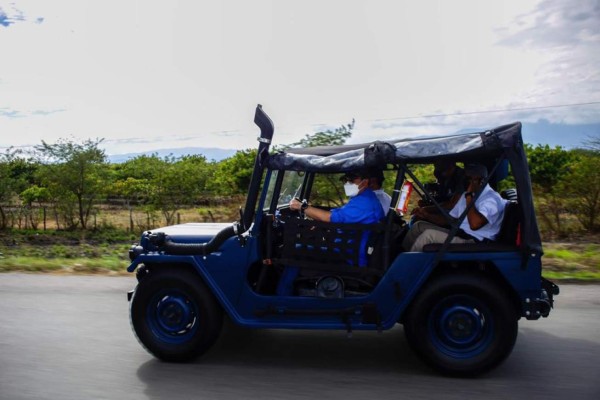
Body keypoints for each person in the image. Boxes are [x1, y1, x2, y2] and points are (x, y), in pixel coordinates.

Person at [278, 169, 384, 295]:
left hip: (348, 256)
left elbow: (331, 218)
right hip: (348, 250)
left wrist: (303, 207)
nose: (348, 183)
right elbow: (339, 214)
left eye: (352, 179)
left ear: (365, 182)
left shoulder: (365, 202)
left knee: (296, 250)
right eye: (346, 180)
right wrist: (316, 217)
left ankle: (282, 297)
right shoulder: (363, 198)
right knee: (303, 247)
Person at [402, 163, 508, 252]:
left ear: (481, 180)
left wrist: (469, 197)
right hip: (459, 232)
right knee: (418, 226)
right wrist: (427, 215)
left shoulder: (491, 199)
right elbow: (449, 220)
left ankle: (407, 271)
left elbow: (475, 224)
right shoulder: (467, 195)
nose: (464, 182)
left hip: (474, 240)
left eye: (468, 179)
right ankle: (400, 256)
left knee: (427, 236)